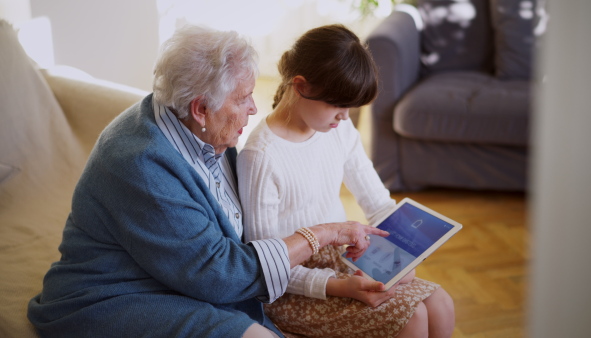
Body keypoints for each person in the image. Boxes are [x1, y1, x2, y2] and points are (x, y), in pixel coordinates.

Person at [26, 25, 389, 338]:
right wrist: (321, 234)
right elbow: (219, 273)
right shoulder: (142, 165)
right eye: (244, 98)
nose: (253, 108)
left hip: (175, 277)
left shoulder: (202, 128)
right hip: (117, 294)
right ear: (201, 108)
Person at [238, 24, 455, 337]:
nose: (344, 118)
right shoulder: (261, 156)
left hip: (343, 258)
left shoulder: (337, 130)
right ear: (301, 85)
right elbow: (269, 265)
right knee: (413, 318)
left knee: (441, 304)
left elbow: (377, 202)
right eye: (338, 106)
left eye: (350, 109)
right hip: (292, 286)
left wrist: (405, 250)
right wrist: (339, 286)